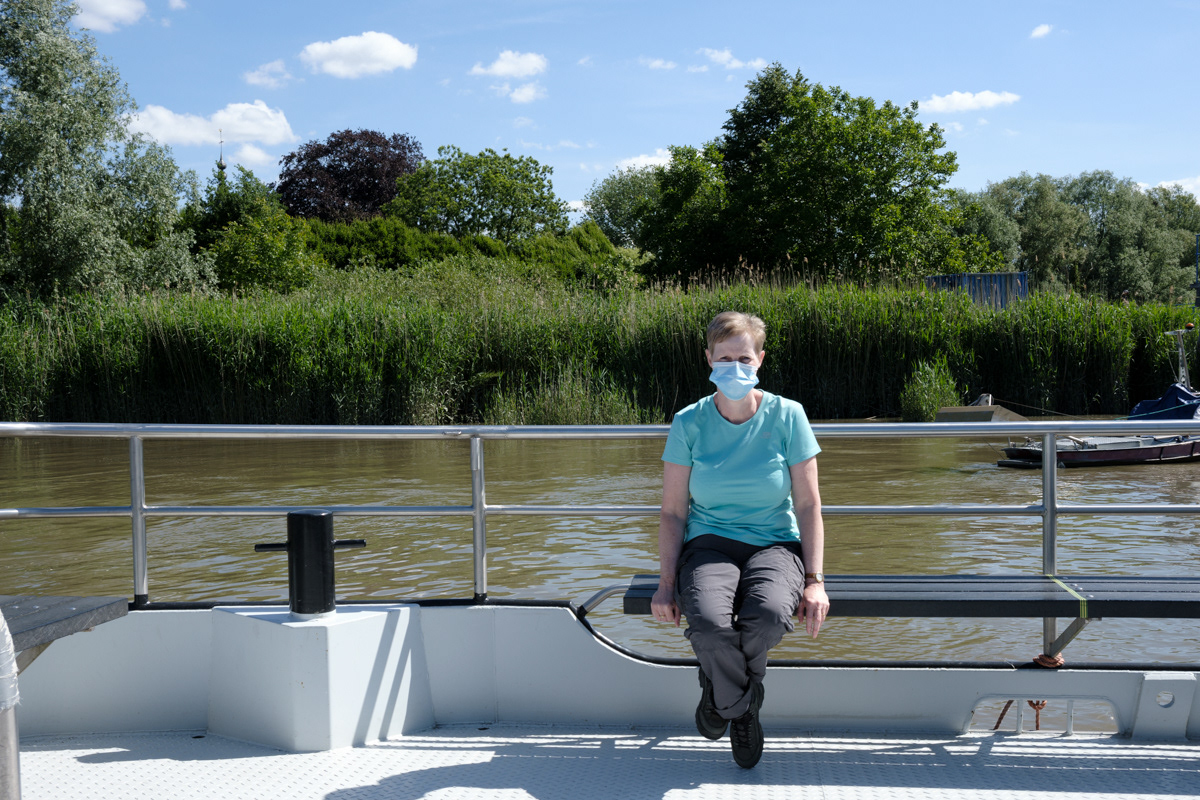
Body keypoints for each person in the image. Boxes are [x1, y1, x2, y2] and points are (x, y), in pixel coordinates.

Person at [650, 310, 829, 769]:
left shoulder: (789, 416)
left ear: (760, 360)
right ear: (708, 359)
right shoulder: (689, 422)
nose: (734, 367)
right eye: (724, 357)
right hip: (709, 543)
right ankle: (744, 709)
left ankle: (718, 697)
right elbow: (673, 512)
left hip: (775, 545)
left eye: (743, 357)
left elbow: (809, 506)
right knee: (708, 624)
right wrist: (666, 583)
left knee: (768, 616)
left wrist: (815, 580)